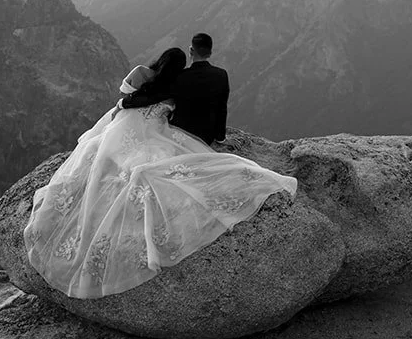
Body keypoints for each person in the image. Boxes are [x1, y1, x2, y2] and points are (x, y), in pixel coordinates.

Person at [22, 36, 295, 299]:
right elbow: (202, 106)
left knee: (122, 163)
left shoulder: (157, 79)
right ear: (206, 52)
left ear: (190, 51)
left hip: (127, 129)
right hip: (159, 131)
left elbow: (133, 97)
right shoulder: (191, 80)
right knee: (162, 164)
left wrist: (123, 104)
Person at [118, 32, 228, 145]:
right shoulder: (222, 75)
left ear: (191, 51)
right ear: (210, 53)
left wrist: (124, 103)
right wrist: (220, 138)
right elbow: (222, 108)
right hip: (206, 136)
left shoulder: (180, 77)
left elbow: (153, 98)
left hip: (182, 133)